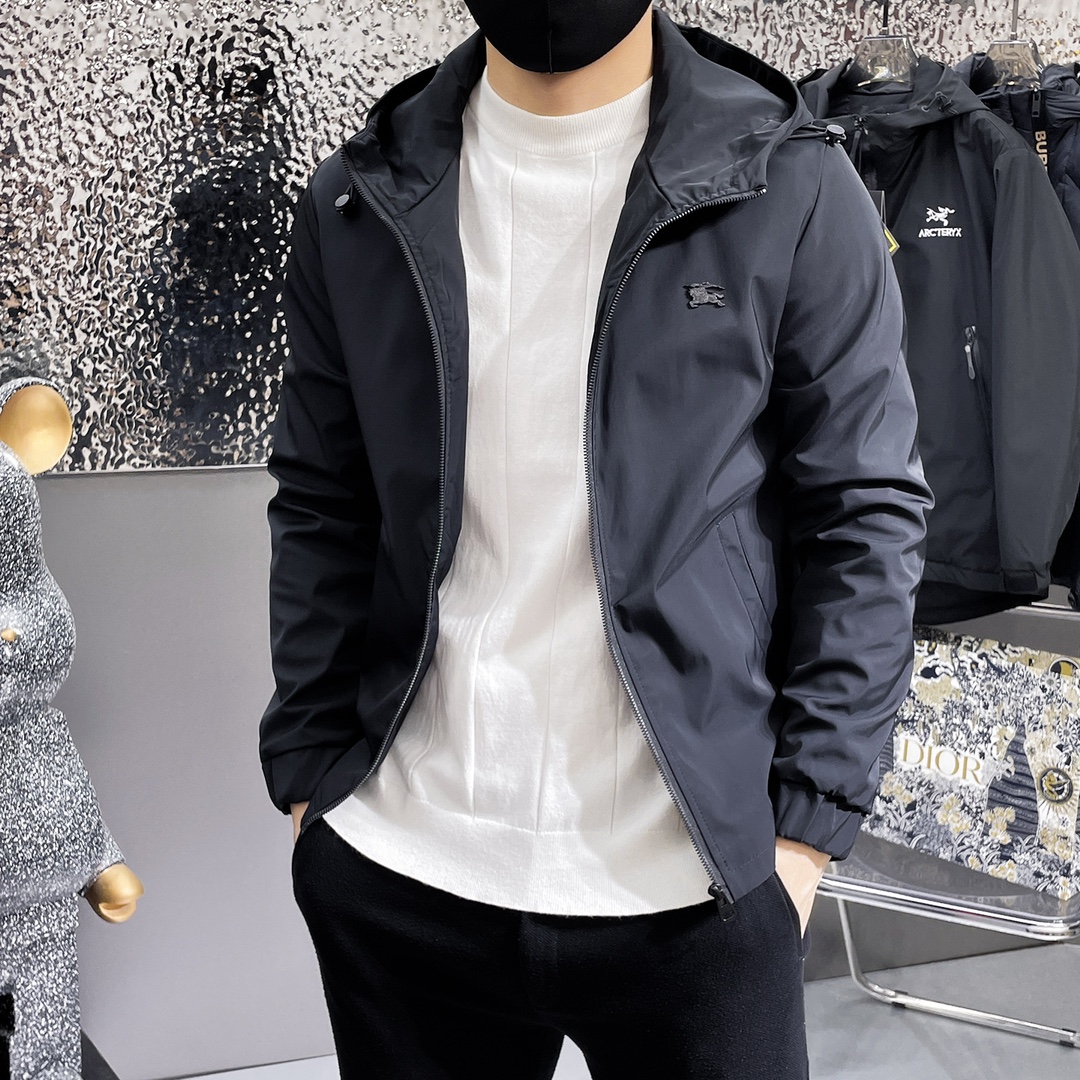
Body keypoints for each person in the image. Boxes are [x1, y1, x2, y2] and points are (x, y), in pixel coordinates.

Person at [259, 3, 932, 1077]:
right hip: (403, 868)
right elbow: (323, 498)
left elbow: (865, 507)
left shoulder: (789, 182)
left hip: (696, 889)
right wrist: (310, 784)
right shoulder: (359, 197)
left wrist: (805, 833)